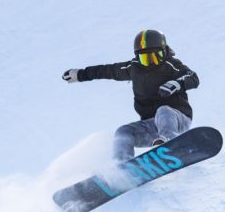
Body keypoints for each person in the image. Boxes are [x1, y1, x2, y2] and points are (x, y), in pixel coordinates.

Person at [62, 29, 199, 165]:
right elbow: (107, 70)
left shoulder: (172, 65)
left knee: (163, 110)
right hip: (151, 127)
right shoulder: (134, 68)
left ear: (164, 51)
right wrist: (81, 74)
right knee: (123, 132)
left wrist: (177, 83)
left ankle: (171, 145)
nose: (151, 62)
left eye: (155, 57)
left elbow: (192, 77)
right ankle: (121, 166)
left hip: (177, 119)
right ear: (138, 57)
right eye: (145, 59)